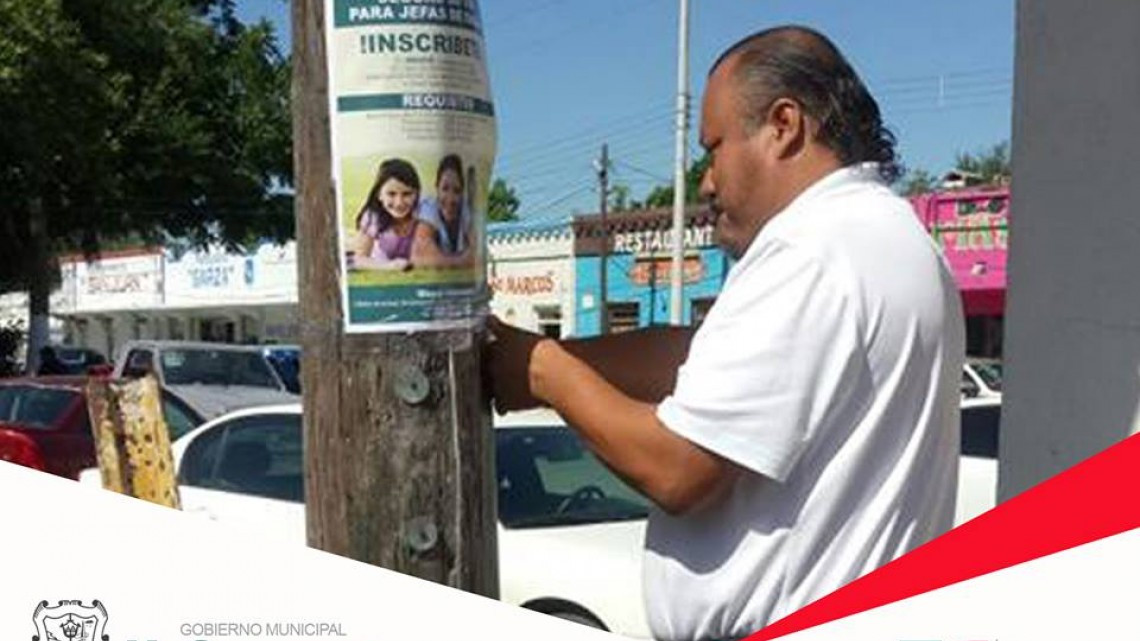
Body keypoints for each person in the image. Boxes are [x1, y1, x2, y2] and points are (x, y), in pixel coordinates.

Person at [485, 25, 964, 640]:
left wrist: (546, 370)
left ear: (784, 125)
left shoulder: (809, 250)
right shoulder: (891, 237)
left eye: (714, 148)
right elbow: (701, 361)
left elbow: (679, 469)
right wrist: (550, 362)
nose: (706, 182)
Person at [351, 158, 421, 270]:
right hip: (381, 261)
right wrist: (389, 266)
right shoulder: (373, 216)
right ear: (380, 195)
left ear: (417, 194)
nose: (399, 203)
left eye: (407, 194)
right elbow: (359, 259)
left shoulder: (422, 214)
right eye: (391, 194)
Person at [412, 154, 475, 268]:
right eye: (445, 189)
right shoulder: (429, 207)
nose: (450, 199)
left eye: (456, 191)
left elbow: (477, 251)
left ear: (462, 194)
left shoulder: (464, 209)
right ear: (436, 188)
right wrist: (461, 260)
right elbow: (421, 256)